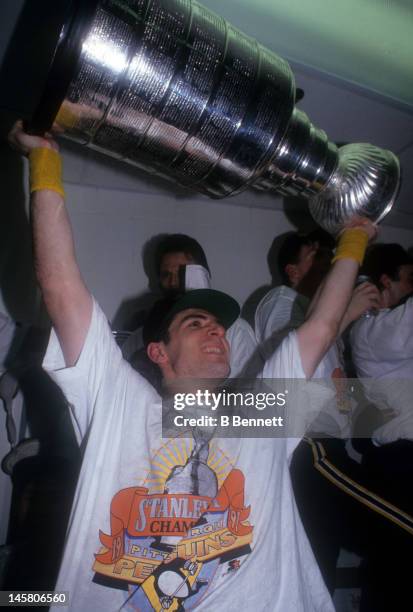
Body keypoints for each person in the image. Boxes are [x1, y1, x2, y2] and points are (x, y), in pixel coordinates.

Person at [9, 119, 376, 611]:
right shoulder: (121, 405)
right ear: (158, 352)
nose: (217, 331)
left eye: (220, 326)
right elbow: (60, 288)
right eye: (196, 323)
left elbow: (321, 328)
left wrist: (354, 239)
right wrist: (45, 161)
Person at [254, 230, 381, 593]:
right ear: (293, 271)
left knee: (320, 564)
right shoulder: (281, 299)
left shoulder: (319, 316)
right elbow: (291, 355)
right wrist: (348, 312)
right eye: (316, 256)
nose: (327, 263)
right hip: (310, 449)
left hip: (328, 448)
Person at [124, 233, 260, 378]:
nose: (174, 282)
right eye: (166, 275)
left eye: (183, 273)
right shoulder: (137, 339)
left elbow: (249, 392)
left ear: (203, 275)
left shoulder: (237, 331)